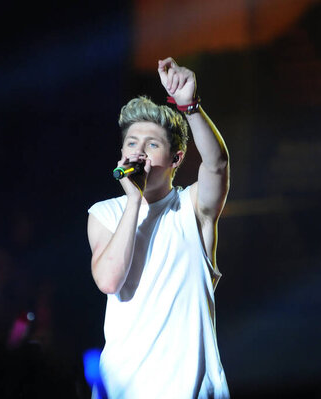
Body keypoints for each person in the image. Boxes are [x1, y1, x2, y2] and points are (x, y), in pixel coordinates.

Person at [87, 57, 230, 398]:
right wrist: (134, 202)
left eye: (151, 145)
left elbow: (217, 163)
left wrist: (190, 107)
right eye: (132, 143)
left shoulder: (191, 208)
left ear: (176, 158)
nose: (139, 152)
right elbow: (109, 280)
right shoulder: (105, 213)